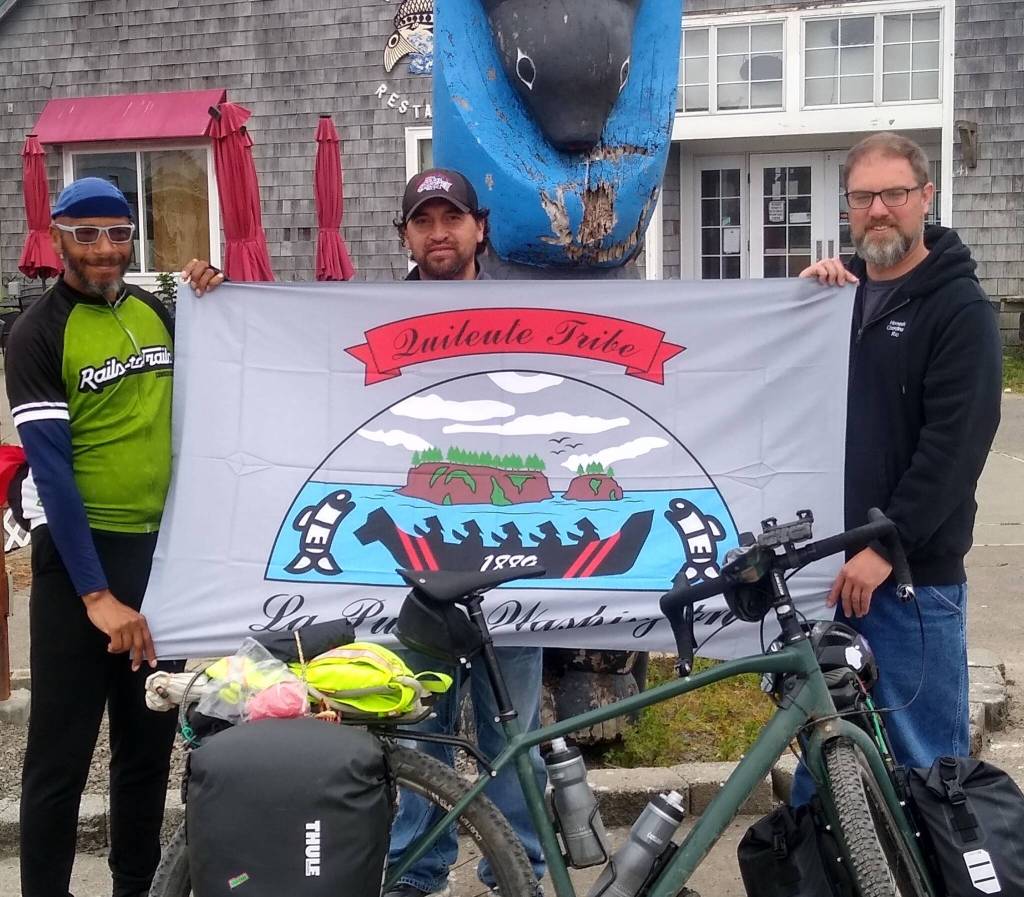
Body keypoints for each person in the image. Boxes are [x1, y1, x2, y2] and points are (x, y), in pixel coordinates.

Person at [7, 176, 223, 897]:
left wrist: (215, 296)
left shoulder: (155, 311)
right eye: (87, 234)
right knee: (59, 758)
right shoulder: (38, 333)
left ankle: (138, 887)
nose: (105, 248)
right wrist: (96, 595)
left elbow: (224, 368)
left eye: (119, 233)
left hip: (157, 559)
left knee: (147, 746)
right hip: (79, 563)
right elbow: (53, 473)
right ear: (58, 238)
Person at [797, 133, 1001, 793]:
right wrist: (796, 311)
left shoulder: (960, 309)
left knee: (927, 774)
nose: (878, 209)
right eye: (863, 197)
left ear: (926, 197)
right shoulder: (838, 299)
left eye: (894, 193)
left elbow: (955, 447)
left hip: (910, 584)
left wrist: (888, 544)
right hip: (831, 577)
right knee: (825, 774)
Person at [386, 168, 547, 897]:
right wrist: (219, 293)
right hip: (418, 567)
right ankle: (418, 873)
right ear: (406, 236)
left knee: (515, 734)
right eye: (423, 220)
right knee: (420, 732)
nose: (439, 232)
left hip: (512, 561)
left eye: (451, 217)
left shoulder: (527, 311)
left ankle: (519, 872)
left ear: (480, 228)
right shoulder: (366, 315)